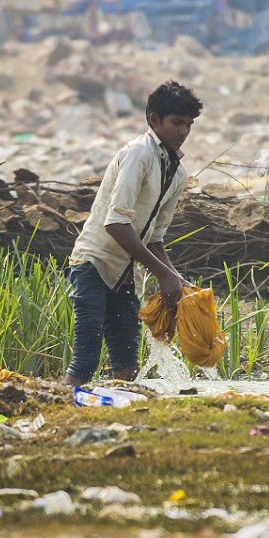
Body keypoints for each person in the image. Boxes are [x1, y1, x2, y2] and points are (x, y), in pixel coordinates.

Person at [63, 80, 203, 386]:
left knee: (127, 365)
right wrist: (163, 275)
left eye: (189, 125)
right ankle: (65, 414)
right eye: (176, 123)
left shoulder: (176, 172)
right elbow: (115, 224)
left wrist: (175, 278)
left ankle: (122, 422)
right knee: (85, 359)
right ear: (154, 120)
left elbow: (156, 238)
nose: (183, 132)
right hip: (93, 264)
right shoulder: (138, 154)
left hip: (126, 274)